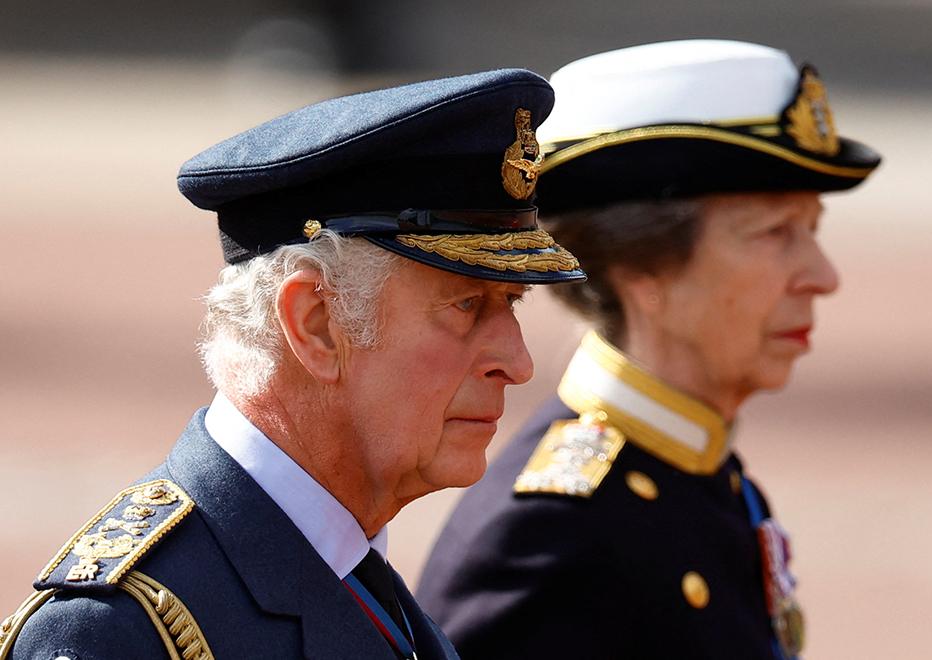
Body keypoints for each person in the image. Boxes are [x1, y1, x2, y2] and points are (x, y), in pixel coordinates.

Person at [0, 68, 584, 660]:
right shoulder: (116, 631)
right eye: (465, 305)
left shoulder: (354, 576)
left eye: (510, 303)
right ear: (316, 324)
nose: (518, 362)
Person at [416, 40, 881, 659]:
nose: (822, 276)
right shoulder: (549, 540)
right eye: (775, 234)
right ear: (642, 269)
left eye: (812, 230)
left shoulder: (700, 472)